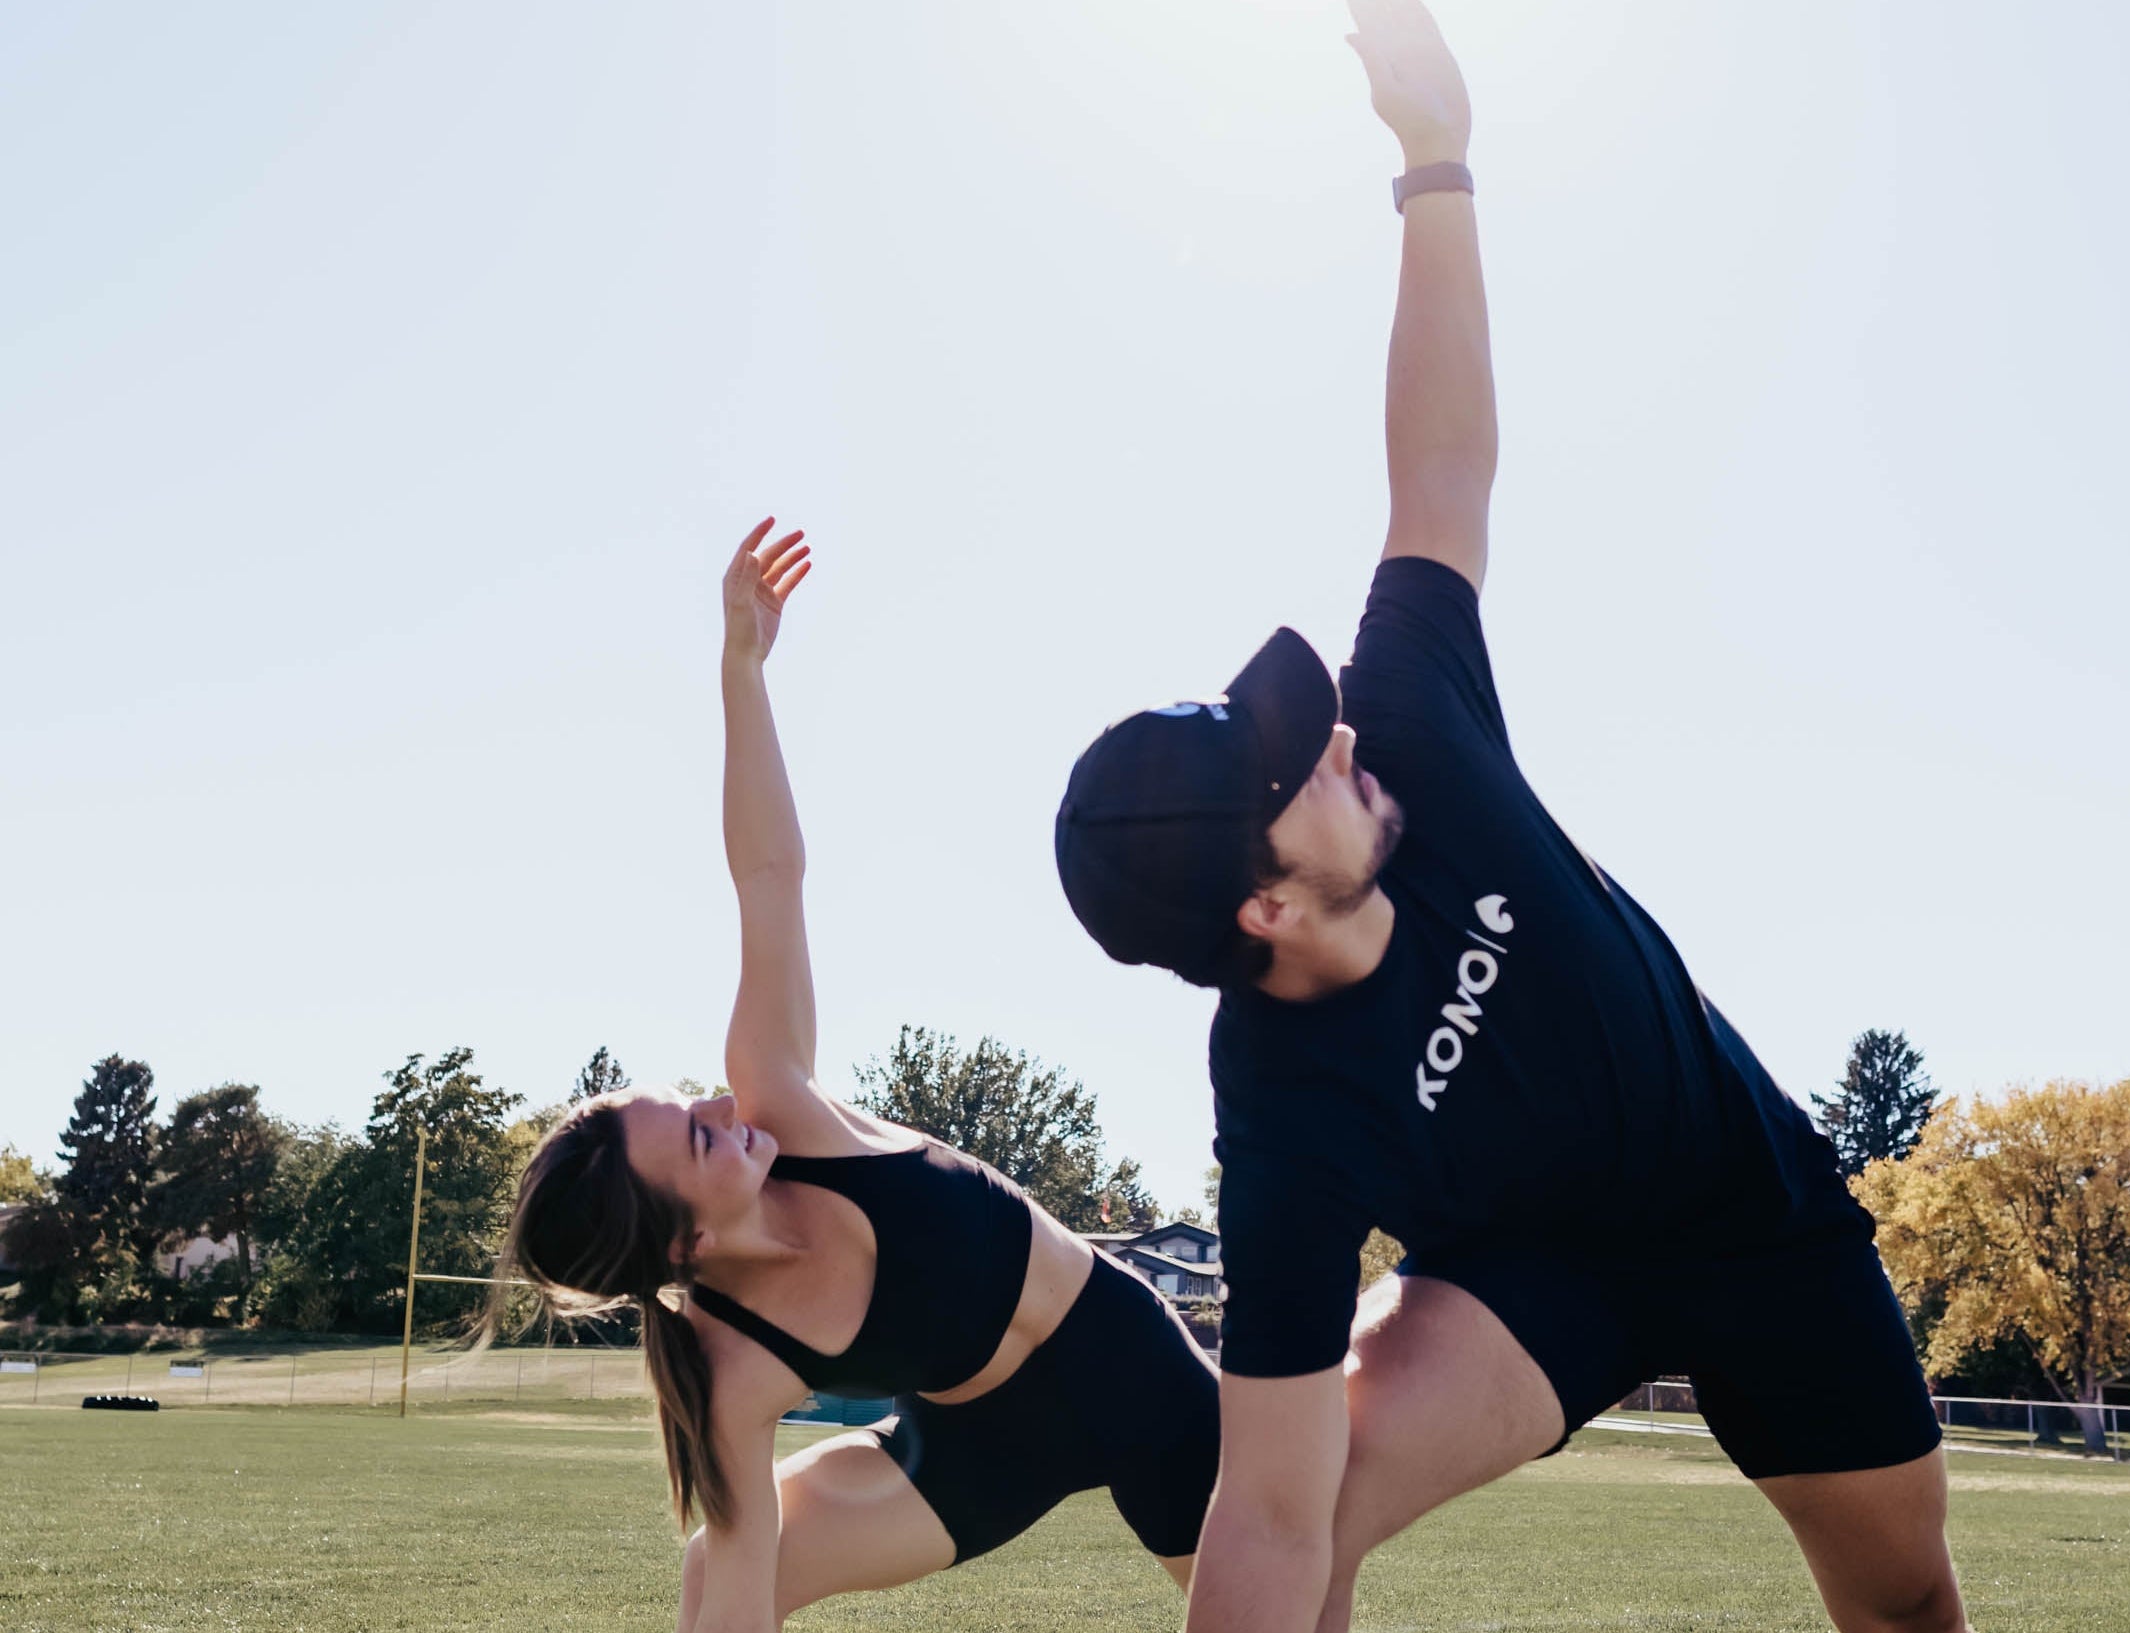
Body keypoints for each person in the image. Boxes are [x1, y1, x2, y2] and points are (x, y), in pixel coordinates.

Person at [1053, 4, 1970, 1631]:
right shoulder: (1280, 1115)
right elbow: (1255, 1507)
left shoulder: (1404, 714)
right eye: (1295, 766)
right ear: (1262, 909)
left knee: (1901, 1604)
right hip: (1542, 1273)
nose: (1331, 730)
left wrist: (1434, 161)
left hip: (1743, 1201)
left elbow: (1439, 470)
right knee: (1307, 1498)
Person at [495, 520, 1219, 1633]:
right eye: (695, 1138)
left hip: (1124, 1365)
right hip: (977, 1447)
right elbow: (740, 1579)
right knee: (716, 1574)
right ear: (686, 1246)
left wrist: (741, 667)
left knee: (1271, 1609)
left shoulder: (778, 1094)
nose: (721, 1107)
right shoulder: (729, 1365)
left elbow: (769, 875)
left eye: (691, 1101)